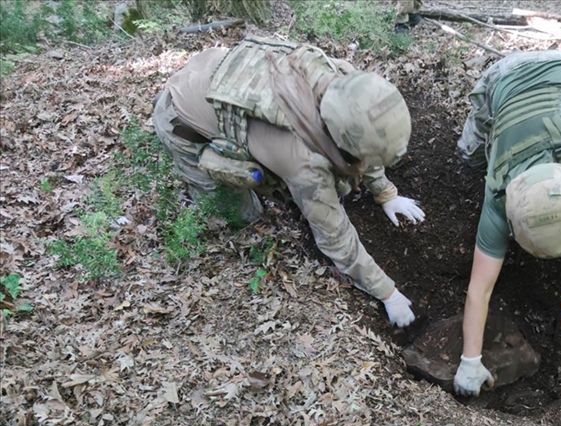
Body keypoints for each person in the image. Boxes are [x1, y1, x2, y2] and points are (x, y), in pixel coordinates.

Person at [151, 36, 426, 327]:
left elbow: (362, 144)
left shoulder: (348, 84)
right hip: (182, 119)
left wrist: (386, 193)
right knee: (244, 215)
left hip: (213, 70)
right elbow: (335, 238)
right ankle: (209, 188)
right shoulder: (302, 158)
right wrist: (388, 294)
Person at [452, 51, 561, 396]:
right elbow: (478, 290)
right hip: (504, 78)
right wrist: (469, 359)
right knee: (468, 156)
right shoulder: (499, 191)